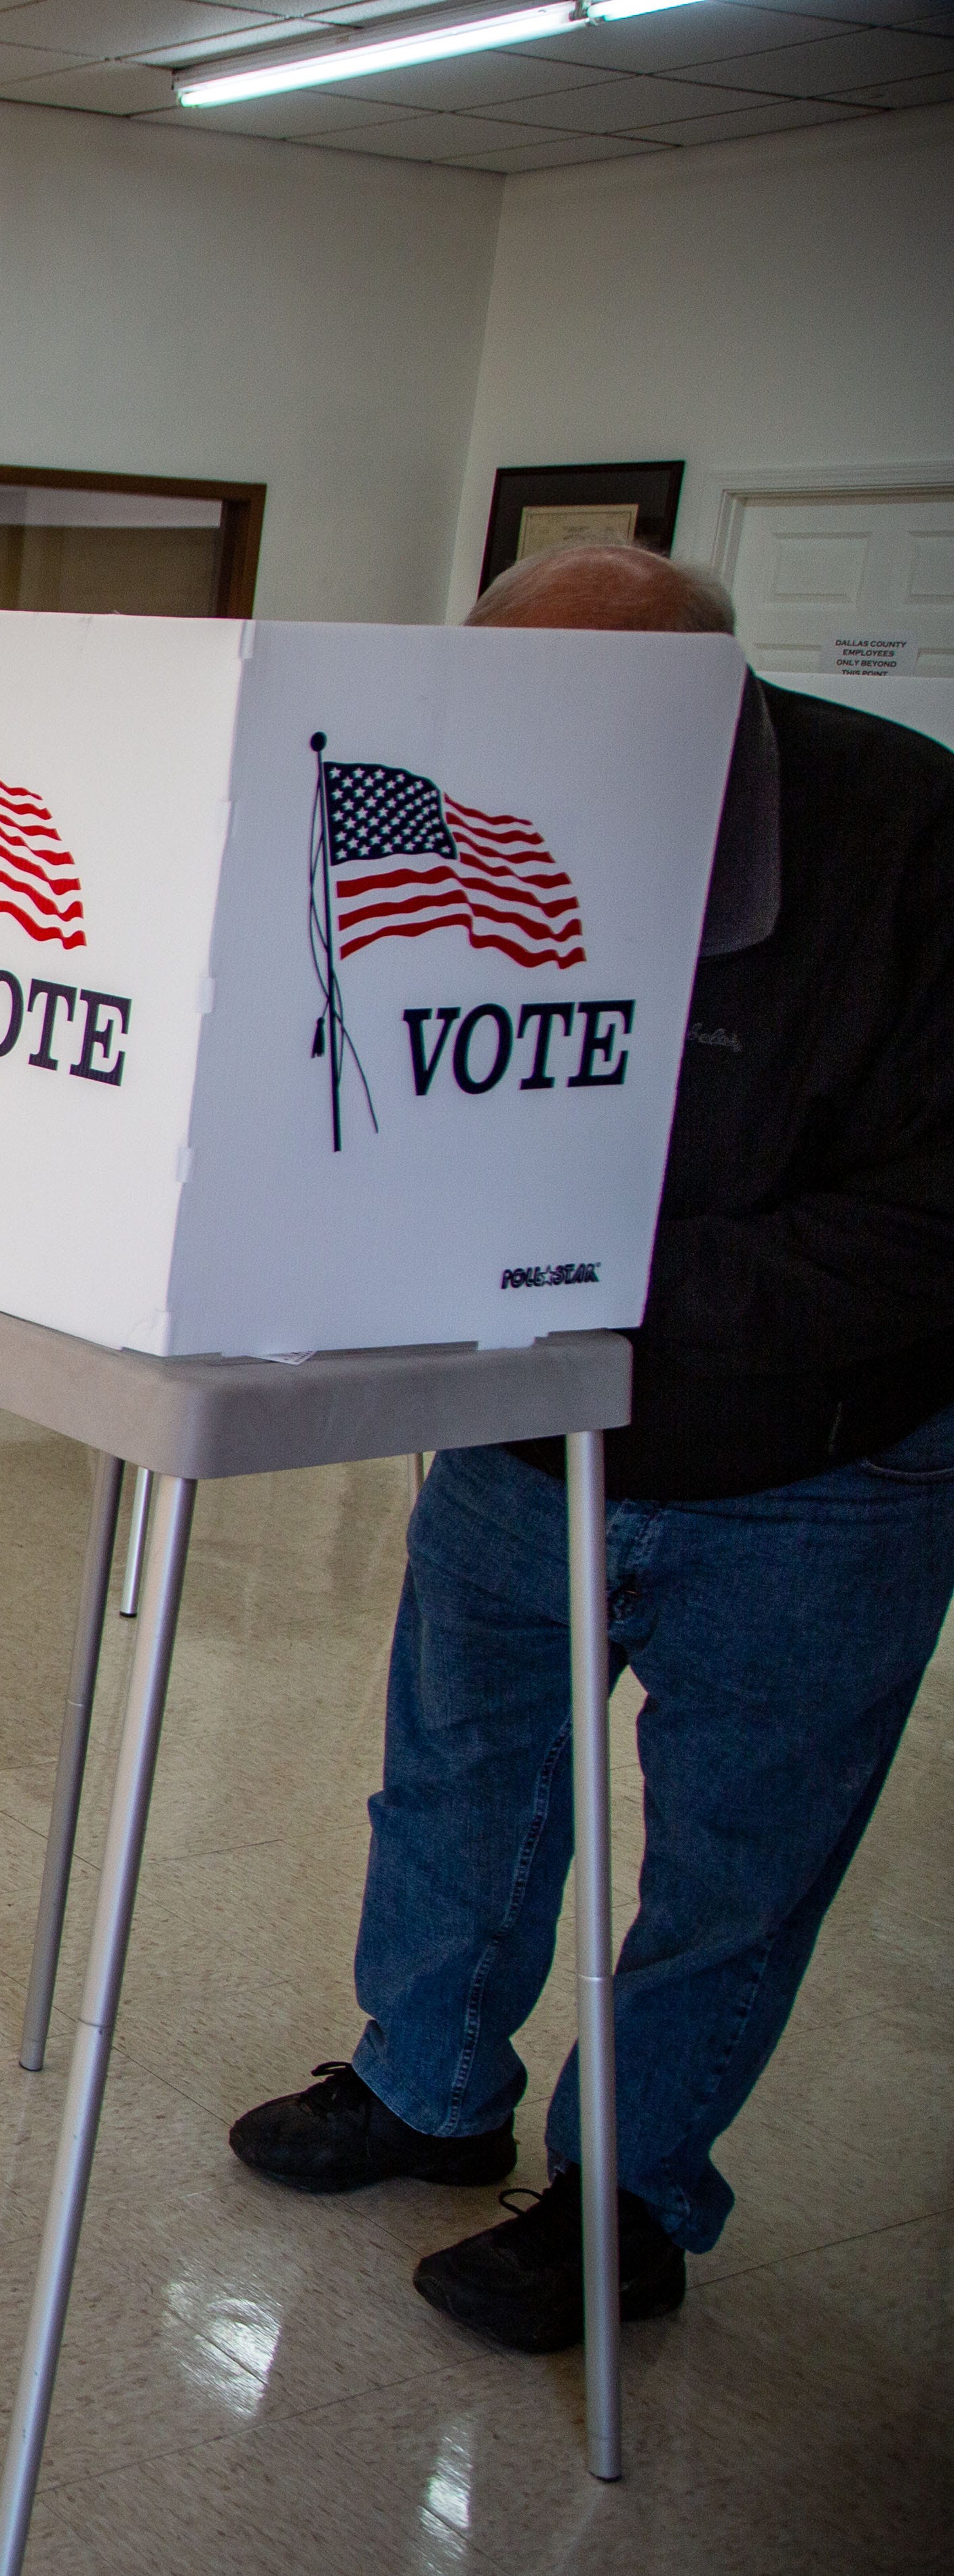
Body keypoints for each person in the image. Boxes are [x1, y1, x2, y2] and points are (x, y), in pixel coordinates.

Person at [228, 540, 954, 2355]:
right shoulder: (487, 802)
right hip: (520, 1433)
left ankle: (629, 2198)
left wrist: (606, 1271)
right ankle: (430, 2090)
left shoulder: (913, 847)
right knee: (461, 1781)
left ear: (700, 708)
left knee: (732, 1865)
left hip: (817, 1466)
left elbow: (932, 1228)